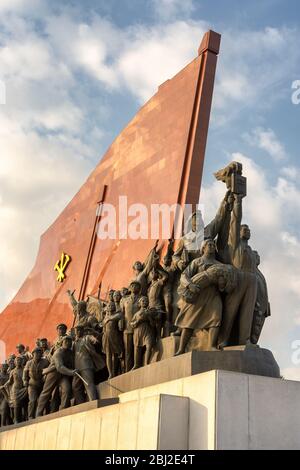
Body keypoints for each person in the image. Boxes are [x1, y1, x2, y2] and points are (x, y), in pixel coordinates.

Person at [174, 239, 224, 355]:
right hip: (197, 295)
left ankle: (211, 346)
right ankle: (181, 349)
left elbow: (224, 286)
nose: (211, 247)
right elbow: (184, 275)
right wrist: (189, 285)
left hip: (213, 295)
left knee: (216, 318)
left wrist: (222, 284)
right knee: (189, 321)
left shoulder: (220, 265)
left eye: (213, 245)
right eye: (209, 245)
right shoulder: (197, 262)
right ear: (203, 248)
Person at [36, 336, 77, 417]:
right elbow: (59, 367)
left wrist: (73, 370)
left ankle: (63, 409)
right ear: (62, 343)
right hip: (53, 373)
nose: (68, 343)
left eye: (70, 341)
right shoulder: (58, 352)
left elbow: (72, 364)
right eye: (66, 341)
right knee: (46, 392)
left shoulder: (70, 352)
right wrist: (71, 372)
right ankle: (39, 412)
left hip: (63, 374)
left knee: (67, 389)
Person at [72, 325, 105, 403]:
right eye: (76, 330)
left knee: (89, 384)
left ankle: (93, 401)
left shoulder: (87, 337)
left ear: (83, 331)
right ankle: (81, 403)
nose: (77, 332)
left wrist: (93, 333)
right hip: (77, 368)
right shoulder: (74, 342)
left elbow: (96, 341)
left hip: (86, 365)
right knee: (75, 387)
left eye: (79, 330)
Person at [23, 348, 49, 419]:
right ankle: (30, 416)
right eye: (36, 353)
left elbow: (48, 370)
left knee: (44, 399)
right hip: (32, 385)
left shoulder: (45, 361)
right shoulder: (29, 363)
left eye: (40, 353)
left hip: (42, 383)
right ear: (33, 354)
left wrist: (45, 376)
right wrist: (25, 380)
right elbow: (25, 373)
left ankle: (46, 413)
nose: (38, 354)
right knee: (32, 400)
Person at [121, 280, 142, 372]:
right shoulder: (124, 300)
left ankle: (138, 366)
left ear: (139, 288)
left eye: (136, 286)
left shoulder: (142, 298)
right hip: (127, 328)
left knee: (138, 347)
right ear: (130, 288)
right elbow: (121, 314)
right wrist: (121, 323)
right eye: (132, 286)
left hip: (138, 327)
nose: (134, 287)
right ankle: (127, 369)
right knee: (128, 351)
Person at [251, 251, 271, 344]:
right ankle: (251, 343)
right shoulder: (251, 271)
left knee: (258, 328)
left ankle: (253, 343)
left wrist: (267, 305)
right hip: (256, 304)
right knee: (253, 326)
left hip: (263, 306)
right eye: (256, 256)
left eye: (258, 256)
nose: (258, 258)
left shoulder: (259, 272)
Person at [130, 297, 156, 369]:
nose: (145, 302)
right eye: (143, 301)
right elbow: (131, 324)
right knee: (137, 348)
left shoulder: (150, 311)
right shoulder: (136, 314)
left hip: (148, 331)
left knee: (149, 345)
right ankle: (136, 364)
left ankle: (147, 362)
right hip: (138, 332)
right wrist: (138, 321)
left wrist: (149, 316)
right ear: (139, 303)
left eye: (146, 301)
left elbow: (153, 324)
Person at [1, 356, 28, 423]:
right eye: (17, 361)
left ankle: (26, 418)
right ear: (15, 362)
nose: (18, 362)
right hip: (15, 390)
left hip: (23, 388)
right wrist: (4, 385)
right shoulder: (12, 371)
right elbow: (10, 381)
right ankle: (16, 420)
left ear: (22, 362)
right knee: (16, 404)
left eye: (19, 360)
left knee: (25, 403)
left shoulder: (24, 369)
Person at [102, 303, 123, 379]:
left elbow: (119, 317)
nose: (110, 307)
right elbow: (104, 328)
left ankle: (115, 371)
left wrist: (110, 318)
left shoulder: (117, 315)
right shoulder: (105, 318)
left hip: (115, 336)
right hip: (107, 337)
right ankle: (110, 373)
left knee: (116, 354)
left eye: (112, 306)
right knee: (108, 355)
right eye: (109, 306)